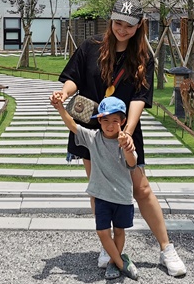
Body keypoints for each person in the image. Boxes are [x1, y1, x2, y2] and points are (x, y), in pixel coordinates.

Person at [50, 0, 187, 278]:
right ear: (111, 20)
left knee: (142, 189)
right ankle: (108, 246)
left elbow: (139, 97)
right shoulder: (91, 47)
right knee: (98, 187)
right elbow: (74, 76)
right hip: (91, 128)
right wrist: (65, 92)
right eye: (117, 23)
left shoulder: (143, 58)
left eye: (128, 25)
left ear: (138, 27)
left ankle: (166, 247)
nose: (122, 29)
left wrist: (128, 130)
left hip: (124, 131)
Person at [53, 96, 140, 280]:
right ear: (99, 120)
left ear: (122, 121)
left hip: (122, 196)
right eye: (105, 120)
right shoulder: (93, 138)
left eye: (115, 121)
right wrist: (60, 107)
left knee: (119, 231)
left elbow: (132, 163)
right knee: (102, 231)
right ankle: (122, 263)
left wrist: (127, 147)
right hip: (101, 195)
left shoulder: (125, 141)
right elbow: (72, 125)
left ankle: (112, 264)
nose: (110, 125)